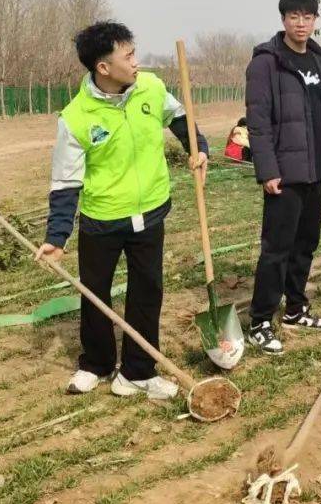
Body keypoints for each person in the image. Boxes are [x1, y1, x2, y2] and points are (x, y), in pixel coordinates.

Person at [35, 21, 208, 396]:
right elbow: (65, 181)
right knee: (96, 292)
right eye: (128, 56)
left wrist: (200, 147)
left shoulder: (150, 87)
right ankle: (96, 363)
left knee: (148, 290)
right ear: (103, 68)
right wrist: (57, 236)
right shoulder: (76, 117)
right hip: (103, 218)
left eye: (134, 52)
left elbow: (179, 117)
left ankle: (138, 371)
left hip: (151, 211)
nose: (136, 62)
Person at [244, 0, 321, 355]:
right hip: (284, 175)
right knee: (277, 249)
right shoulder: (267, 63)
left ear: (316, 19)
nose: (300, 23)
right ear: (283, 19)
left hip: (315, 170)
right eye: (293, 17)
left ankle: (295, 308)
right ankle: (260, 320)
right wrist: (267, 170)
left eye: (307, 16)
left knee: (306, 244)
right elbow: (257, 122)